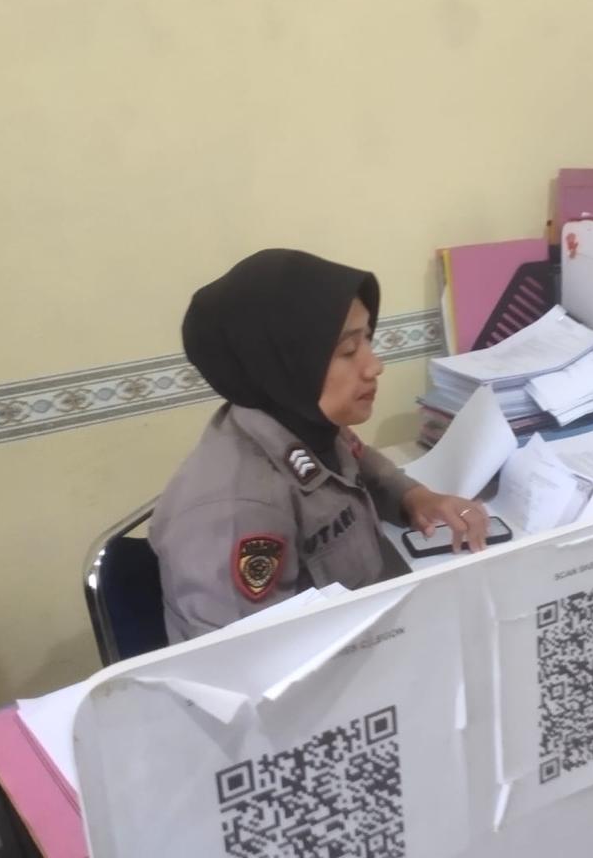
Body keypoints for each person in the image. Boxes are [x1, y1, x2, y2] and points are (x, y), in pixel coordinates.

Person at [150, 249, 488, 643]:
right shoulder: (239, 512)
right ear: (281, 363)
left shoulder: (306, 424)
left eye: (367, 340)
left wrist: (415, 497)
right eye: (348, 351)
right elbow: (252, 662)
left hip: (370, 626)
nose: (374, 366)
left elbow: (361, 463)